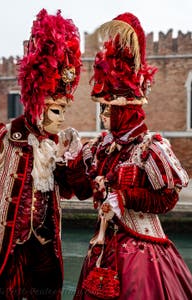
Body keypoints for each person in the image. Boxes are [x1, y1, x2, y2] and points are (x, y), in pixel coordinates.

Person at [73, 12, 192, 300]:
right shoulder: (101, 147)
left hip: (142, 254)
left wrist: (127, 197)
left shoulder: (150, 148)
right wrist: (68, 158)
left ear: (126, 108)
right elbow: (79, 190)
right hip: (102, 249)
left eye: (108, 108)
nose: (102, 115)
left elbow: (168, 199)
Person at [0, 8, 92, 300]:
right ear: (37, 104)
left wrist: (74, 162)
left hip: (45, 251)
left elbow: (80, 191)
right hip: (8, 253)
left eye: (64, 110)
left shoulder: (60, 145)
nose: (61, 118)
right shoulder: (4, 136)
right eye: (56, 110)